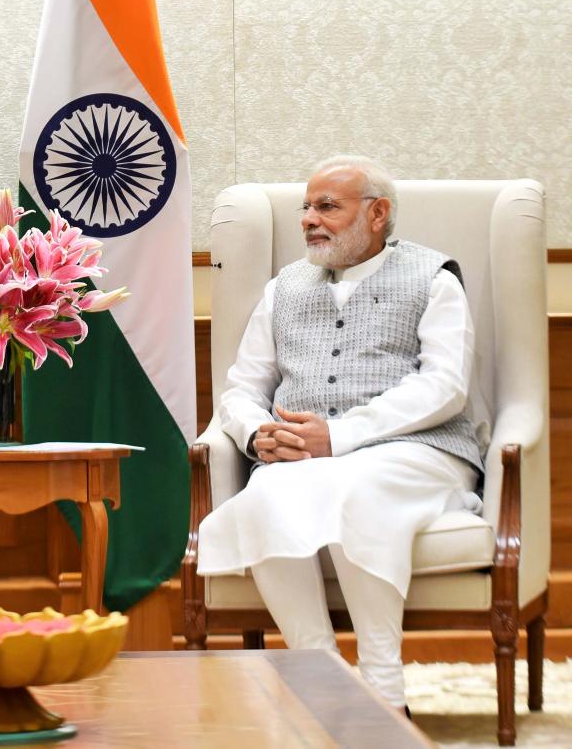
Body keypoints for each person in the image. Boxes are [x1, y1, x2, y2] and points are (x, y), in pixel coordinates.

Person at [196, 154, 483, 711]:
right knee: (266, 494)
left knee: (357, 487)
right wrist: (258, 436)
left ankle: (383, 688)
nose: (309, 218)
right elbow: (242, 388)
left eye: (328, 206)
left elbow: (446, 385)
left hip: (415, 451)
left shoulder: (434, 277)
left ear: (377, 214)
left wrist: (342, 435)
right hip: (302, 461)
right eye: (306, 206)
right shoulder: (285, 287)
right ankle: (318, 675)